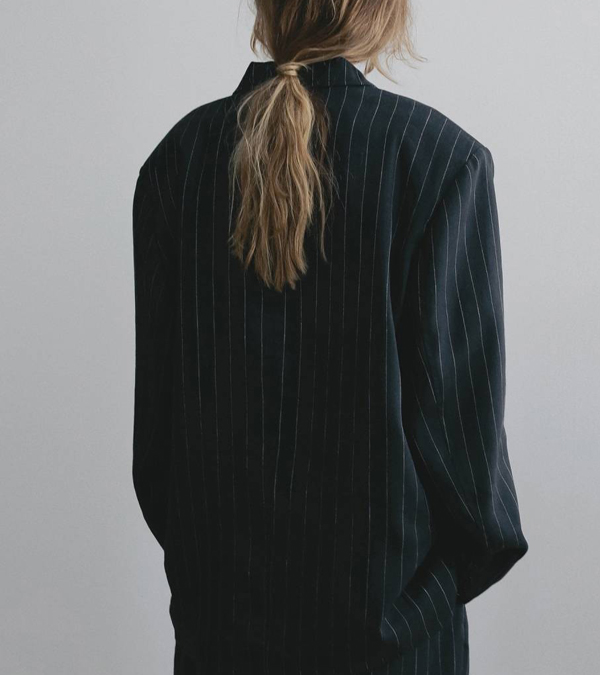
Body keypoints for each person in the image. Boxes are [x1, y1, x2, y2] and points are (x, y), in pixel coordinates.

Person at [131, 1, 530, 673]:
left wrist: (216, 592)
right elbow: (466, 456)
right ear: (380, 14)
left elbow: (159, 447)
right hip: (395, 639)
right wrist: (414, 604)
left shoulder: (178, 162)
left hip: (222, 635)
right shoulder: (440, 160)